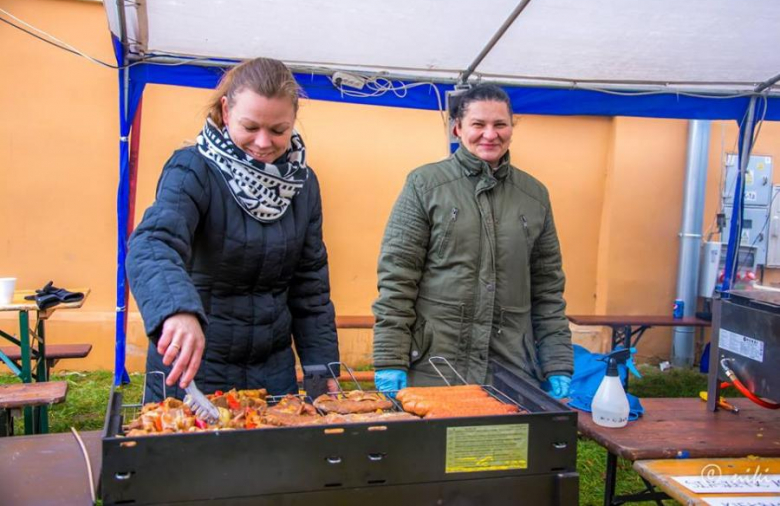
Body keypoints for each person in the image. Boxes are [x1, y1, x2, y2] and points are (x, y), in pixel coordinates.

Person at [127, 57, 339, 401]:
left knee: (274, 455)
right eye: (250, 127)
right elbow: (153, 243)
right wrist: (176, 310)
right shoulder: (193, 169)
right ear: (226, 112)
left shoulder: (303, 185)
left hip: (273, 374)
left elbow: (310, 288)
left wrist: (319, 377)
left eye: (278, 130)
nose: (263, 142)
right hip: (195, 370)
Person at [372, 84, 572, 399]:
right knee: (430, 448)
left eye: (500, 124)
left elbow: (547, 289)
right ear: (458, 128)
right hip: (435, 365)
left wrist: (557, 363)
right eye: (478, 124)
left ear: (512, 128)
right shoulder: (425, 185)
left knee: (503, 448)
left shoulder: (534, 196)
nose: (490, 134)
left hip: (510, 369)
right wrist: (389, 357)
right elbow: (398, 277)